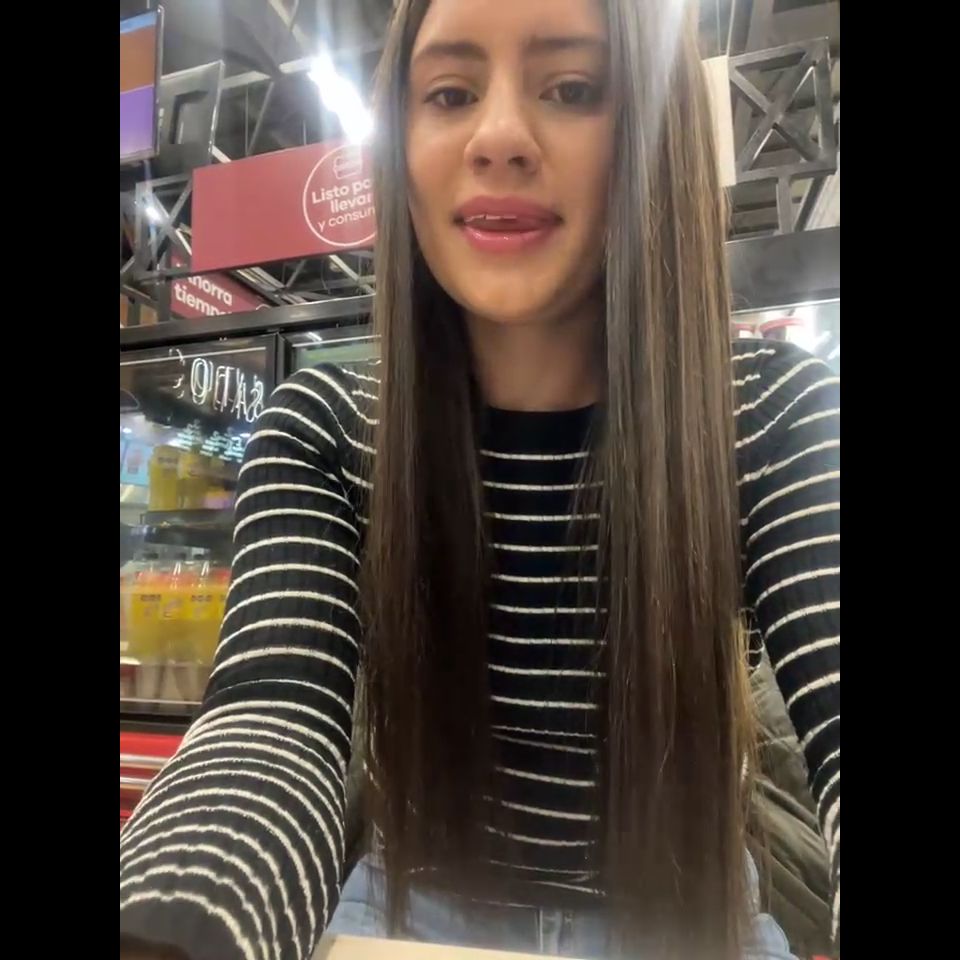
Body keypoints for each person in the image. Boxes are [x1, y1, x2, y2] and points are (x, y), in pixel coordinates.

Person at [119, 1, 840, 958]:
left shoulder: (774, 410)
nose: (498, 136)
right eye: (451, 93)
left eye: (572, 88)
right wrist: (177, 928)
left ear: (652, 128)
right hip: (405, 914)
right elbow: (273, 716)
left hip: (686, 919)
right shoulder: (328, 425)